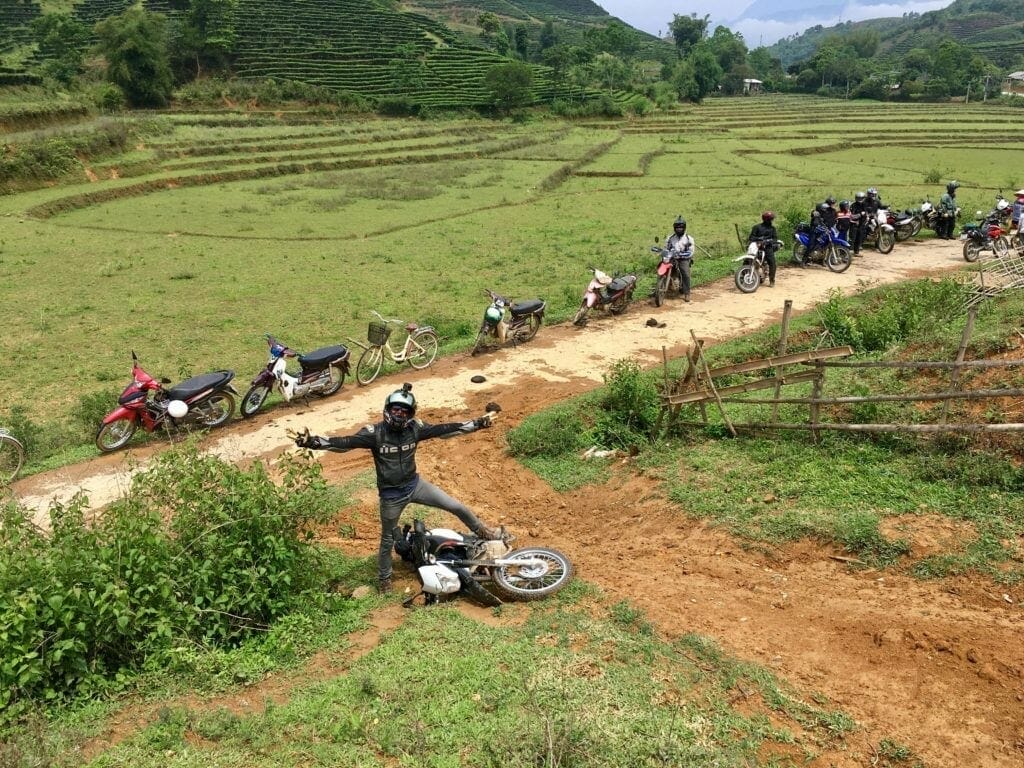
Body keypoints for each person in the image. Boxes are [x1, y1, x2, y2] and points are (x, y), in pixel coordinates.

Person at [293, 384, 504, 594]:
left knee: (456, 506)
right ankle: (384, 580)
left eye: (404, 411)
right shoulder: (374, 433)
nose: (399, 414)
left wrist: (478, 423)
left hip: (416, 485)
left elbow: (446, 429)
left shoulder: (415, 429)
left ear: (411, 414)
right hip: (391, 497)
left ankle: (485, 532)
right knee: (387, 540)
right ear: (387, 409)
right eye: (396, 409)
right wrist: (313, 442)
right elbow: (344, 443)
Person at [666, 215, 695, 301]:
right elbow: (666, 248)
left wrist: (681, 254)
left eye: (681, 228)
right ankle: (659, 287)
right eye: (677, 228)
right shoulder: (670, 238)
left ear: (684, 228)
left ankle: (687, 293)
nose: (679, 229)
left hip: (683, 259)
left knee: (685, 273)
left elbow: (691, 251)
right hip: (672, 258)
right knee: (661, 268)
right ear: (674, 228)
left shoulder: (689, 239)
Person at [747, 210, 779, 286]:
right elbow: (751, 237)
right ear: (766, 219)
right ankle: (743, 275)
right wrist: (759, 240)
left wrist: (767, 242)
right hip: (756, 246)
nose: (771, 221)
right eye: (770, 219)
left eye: (772, 219)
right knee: (747, 259)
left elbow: (775, 239)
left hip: (767, 247)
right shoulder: (757, 227)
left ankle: (772, 280)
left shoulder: (772, 229)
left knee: (772, 263)